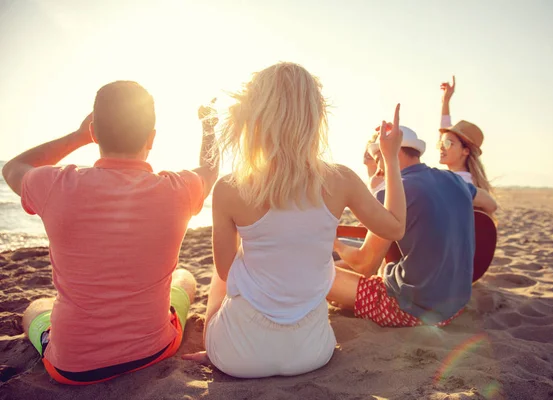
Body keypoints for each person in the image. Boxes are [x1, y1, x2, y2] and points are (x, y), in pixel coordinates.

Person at [183, 62, 407, 378]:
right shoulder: (340, 179)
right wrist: (391, 157)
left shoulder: (230, 188)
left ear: (255, 117)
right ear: (315, 118)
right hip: (313, 352)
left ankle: (212, 344)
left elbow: (224, 271)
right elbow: (396, 226)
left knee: (224, 274)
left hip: (237, 357)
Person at [1, 81, 219, 384]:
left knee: (36, 307)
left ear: (94, 132)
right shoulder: (177, 189)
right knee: (186, 277)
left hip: (72, 367)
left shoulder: (56, 184)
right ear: (151, 139)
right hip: (154, 350)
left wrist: (78, 137)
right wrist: (210, 127)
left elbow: (13, 167)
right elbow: (209, 169)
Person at [329, 125, 497, 328]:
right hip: (456, 305)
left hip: (413, 309)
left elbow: (366, 265)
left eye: (378, 157)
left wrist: (336, 244)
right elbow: (490, 203)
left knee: (317, 276)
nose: (379, 166)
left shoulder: (392, 195)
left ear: (393, 152)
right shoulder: (455, 179)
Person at [438, 76, 494, 193]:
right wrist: (445, 101)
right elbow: (445, 127)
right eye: (441, 143)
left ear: (466, 151)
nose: (442, 147)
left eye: (448, 144)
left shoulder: (461, 182)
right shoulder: (461, 178)